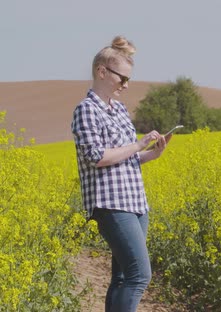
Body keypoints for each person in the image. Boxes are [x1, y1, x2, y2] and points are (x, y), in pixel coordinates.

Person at [71, 35, 167, 312]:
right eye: (122, 78)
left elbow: (129, 157)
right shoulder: (86, 110)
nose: (126, 85)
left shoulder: (121, 110)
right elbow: (96, 156)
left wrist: (152, 153)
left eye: (128, 80)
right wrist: (137, 144)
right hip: (111, 204)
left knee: (124, 276)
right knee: (140, 275)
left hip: (135, 201)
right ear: (102, 72)